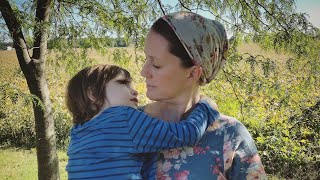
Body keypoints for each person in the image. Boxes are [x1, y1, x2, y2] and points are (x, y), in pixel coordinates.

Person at [140, 11, 267, 179]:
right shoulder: (124, 123)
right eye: (146, 59)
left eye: (156, 64)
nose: (143, 72)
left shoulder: (229, 135)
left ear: (193, 73)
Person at [65, 64, 220, 179]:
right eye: (123, 83)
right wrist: (205, 106)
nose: (134, 90)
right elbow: (187, 134)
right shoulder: (124, 118)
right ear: (93, 93)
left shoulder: (78, 133)